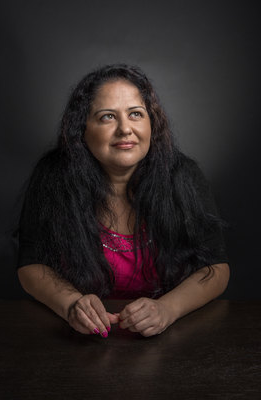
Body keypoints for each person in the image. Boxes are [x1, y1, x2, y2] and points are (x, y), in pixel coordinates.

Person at [17, 64, 230, 338]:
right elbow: (31, 265)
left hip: (171, 337)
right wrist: (71, 303)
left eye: (136, 114)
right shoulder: (52, 178)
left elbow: (216, 268)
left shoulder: (184, 176)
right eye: (107, 117)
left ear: (152, 123)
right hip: (80, 340)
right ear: (81, 129)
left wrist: (167, 309)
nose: (125, 129)